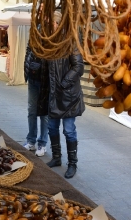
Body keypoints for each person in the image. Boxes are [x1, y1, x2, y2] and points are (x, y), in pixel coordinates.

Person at [46, 11, 85, 179]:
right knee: (52, 127)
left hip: (68, 96)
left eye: (53, 24)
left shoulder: (71, 41)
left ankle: (72, 163)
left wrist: (63, 83)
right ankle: (56, 157)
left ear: (59, 24)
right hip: (54, 94)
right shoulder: (49, 43)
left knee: (69, 130)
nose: (51, 27)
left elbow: (79, 67)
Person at [23, 43, 49, 157]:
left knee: (44, 114)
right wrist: (27, 67)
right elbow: (29, 49)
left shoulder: (54, 34)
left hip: (45, 80)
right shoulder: (35, 31)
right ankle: (31, 141)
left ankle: (42, 143)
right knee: (31, 111)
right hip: (33, 78)